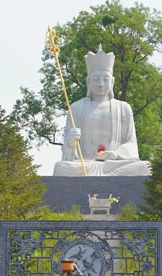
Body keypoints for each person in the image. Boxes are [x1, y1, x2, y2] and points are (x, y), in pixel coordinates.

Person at [52, 45, 151, 177]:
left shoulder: (123, 108)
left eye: (106, 79)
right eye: (95, 79)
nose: (101, 84)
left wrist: (115, 154)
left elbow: (131, 143)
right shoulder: (76, 108)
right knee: (61, 167)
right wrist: (71, 143)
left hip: (114, 164)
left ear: (113, 82)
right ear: (88, 81)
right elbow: (68, 154)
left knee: (145, 167)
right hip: (86, 164)